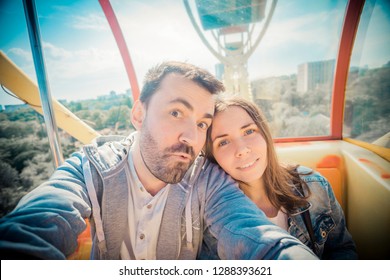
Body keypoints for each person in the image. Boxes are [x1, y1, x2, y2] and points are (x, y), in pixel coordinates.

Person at [0, 62, 317, 260]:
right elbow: (37, 222)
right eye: (176, 112)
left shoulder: (207, 180)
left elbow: (257, 237)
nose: (191, 137)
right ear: (139, 114)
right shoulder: (91, 169)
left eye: (202, 124)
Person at [205, 96, 358, 259]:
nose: (242, 149)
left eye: (249, 131)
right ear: (213, 156)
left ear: (265, 134)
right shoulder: (212, 218)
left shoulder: (314, 186)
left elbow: (341, 249)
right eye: (223, 142)